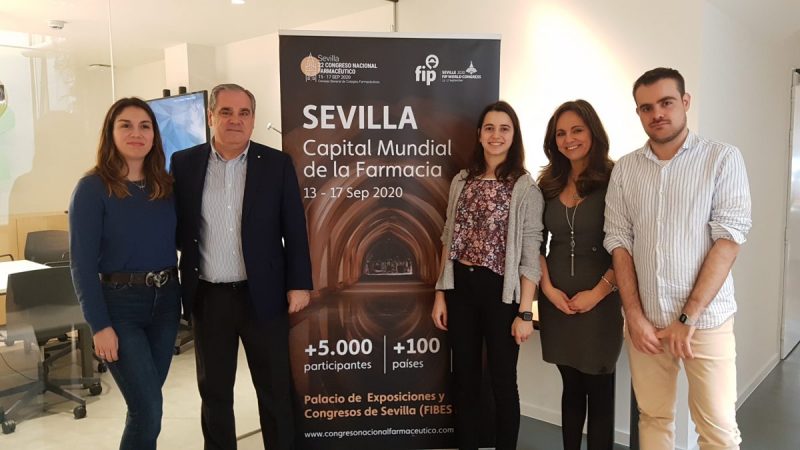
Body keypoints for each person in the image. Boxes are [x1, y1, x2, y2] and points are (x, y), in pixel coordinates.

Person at [604, 67, 752, 450]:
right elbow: (619, 243)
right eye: (646, 107)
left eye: (666, 102)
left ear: (685, 102)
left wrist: (688, 317)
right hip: (647, 322)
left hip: (707, 322)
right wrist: (633, 316)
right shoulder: (626, 169)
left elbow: (729, 241)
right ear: (638, 113)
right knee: (653, 418)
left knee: (718, 431)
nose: (657, 113)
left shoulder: (722, 158)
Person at [171, 83, 312, 450]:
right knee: (214, 391)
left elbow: (294, 227)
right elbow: (177, 226)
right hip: (208, 298)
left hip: (262, 296)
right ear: (211, 117)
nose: (235, 120)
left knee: (274, 388)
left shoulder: (277, 164)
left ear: (253, 120)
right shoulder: (184, 164)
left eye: (244, 113)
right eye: (226, 112)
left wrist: (299, 283)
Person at [431, 100, 543, 450]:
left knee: (502, 383)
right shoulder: (461, 181)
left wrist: (525, 313)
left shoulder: (525, 187)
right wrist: (440, 293)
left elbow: (530, 254)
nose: (496, 135)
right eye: (490, 128)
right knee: (464, 380)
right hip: (460, 289)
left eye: (504, 128)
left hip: (501, 294)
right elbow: (448, 238)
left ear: (514, 135)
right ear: (479, 134)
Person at [70, 97, 180, 450]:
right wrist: (99, 325)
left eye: (145, 126)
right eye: (126, 125)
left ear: (154, 135)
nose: (137, 133)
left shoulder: (165, 186)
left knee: (148, 404)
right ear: (111, 133)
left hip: (166, 303)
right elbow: (81, 264)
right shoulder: (92, 189)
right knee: (147, 409)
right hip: (120, 307)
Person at [537, 100, 623, 450]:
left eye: (577, 130)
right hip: (556, 303)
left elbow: (627, 246)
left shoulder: (616, 178)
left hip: (601, 304)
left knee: (599, 391)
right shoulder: (548, 183)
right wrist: (547, 289)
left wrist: (598, 293)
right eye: (561, 133)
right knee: (571, 387)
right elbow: (534, 243)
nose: (568, 139)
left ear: (593, 132)